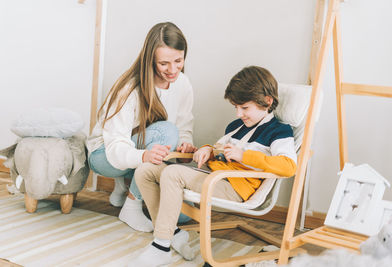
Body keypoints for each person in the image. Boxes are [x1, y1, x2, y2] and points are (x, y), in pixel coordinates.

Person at [129, 66, 298, 266]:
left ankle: (161, 246)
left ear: (267, 102)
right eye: (236, 107)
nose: (238, 114)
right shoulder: (236, 127)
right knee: (145, 171)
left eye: (244, 108)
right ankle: (172, 233)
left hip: (234, 187)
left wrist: (245, 156)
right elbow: (220, 150)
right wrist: (207, 150)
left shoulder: (279, 131)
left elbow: (288, 166)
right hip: (212, 176)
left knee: (173, 173)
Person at [86, 22, 197, 233]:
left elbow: (185, 125)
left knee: (182, 216)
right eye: (164, 63)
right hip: (104, 154)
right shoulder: (129, 89)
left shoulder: (183, 84)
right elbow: (116, 143)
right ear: (150, 60)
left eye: (178, 61)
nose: (172, 70)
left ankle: (123, 185)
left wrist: (185, 146)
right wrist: (144, 156)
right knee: (167, 131)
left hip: (139, 152)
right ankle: (131, 205)